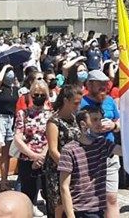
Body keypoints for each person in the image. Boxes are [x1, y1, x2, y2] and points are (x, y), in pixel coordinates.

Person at [60, 105, 123, 218]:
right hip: (78, 210)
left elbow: (125, 152)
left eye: (100, 119)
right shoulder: (69, 150)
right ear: (83, 124)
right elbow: (64, 186)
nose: (99, 124)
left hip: (98, 210)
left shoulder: (102, 143)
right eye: (94, 120)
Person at [80, 69, 121, 218]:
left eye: (105, 84)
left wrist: (114, 126)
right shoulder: (80, 102)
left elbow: (119, 121)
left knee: (112, 198)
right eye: (99, 84)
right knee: (91, 199)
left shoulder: (110, 101)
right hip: (89, 157)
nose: (104, 87)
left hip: (110, 155)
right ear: (89, 84)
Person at [43, 85, 83, 218]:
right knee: (59, 205)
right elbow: (53, 150)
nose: (78, 106)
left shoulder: (74, 119)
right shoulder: (54, 122)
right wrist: (68, 167)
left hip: (74, 167)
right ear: (66, 100)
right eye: (75, 103)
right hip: (58, 169)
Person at [13, 80, 51, 215]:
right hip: (27, 157)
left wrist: (42, 156)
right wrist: (33, 155)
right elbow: (17, 137)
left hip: (47, 158)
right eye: (36, 95)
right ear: (30, 95)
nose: (39, 97)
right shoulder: (23, 114)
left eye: (42, 95)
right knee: (27, 193)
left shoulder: (52, 114)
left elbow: (53, 137)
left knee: (49, 194)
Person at [0, 64, 19, 191]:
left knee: (5, 154)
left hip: (10, 119)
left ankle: (4, 180)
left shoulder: (15, 89)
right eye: (8, 72)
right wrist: (5, 67)